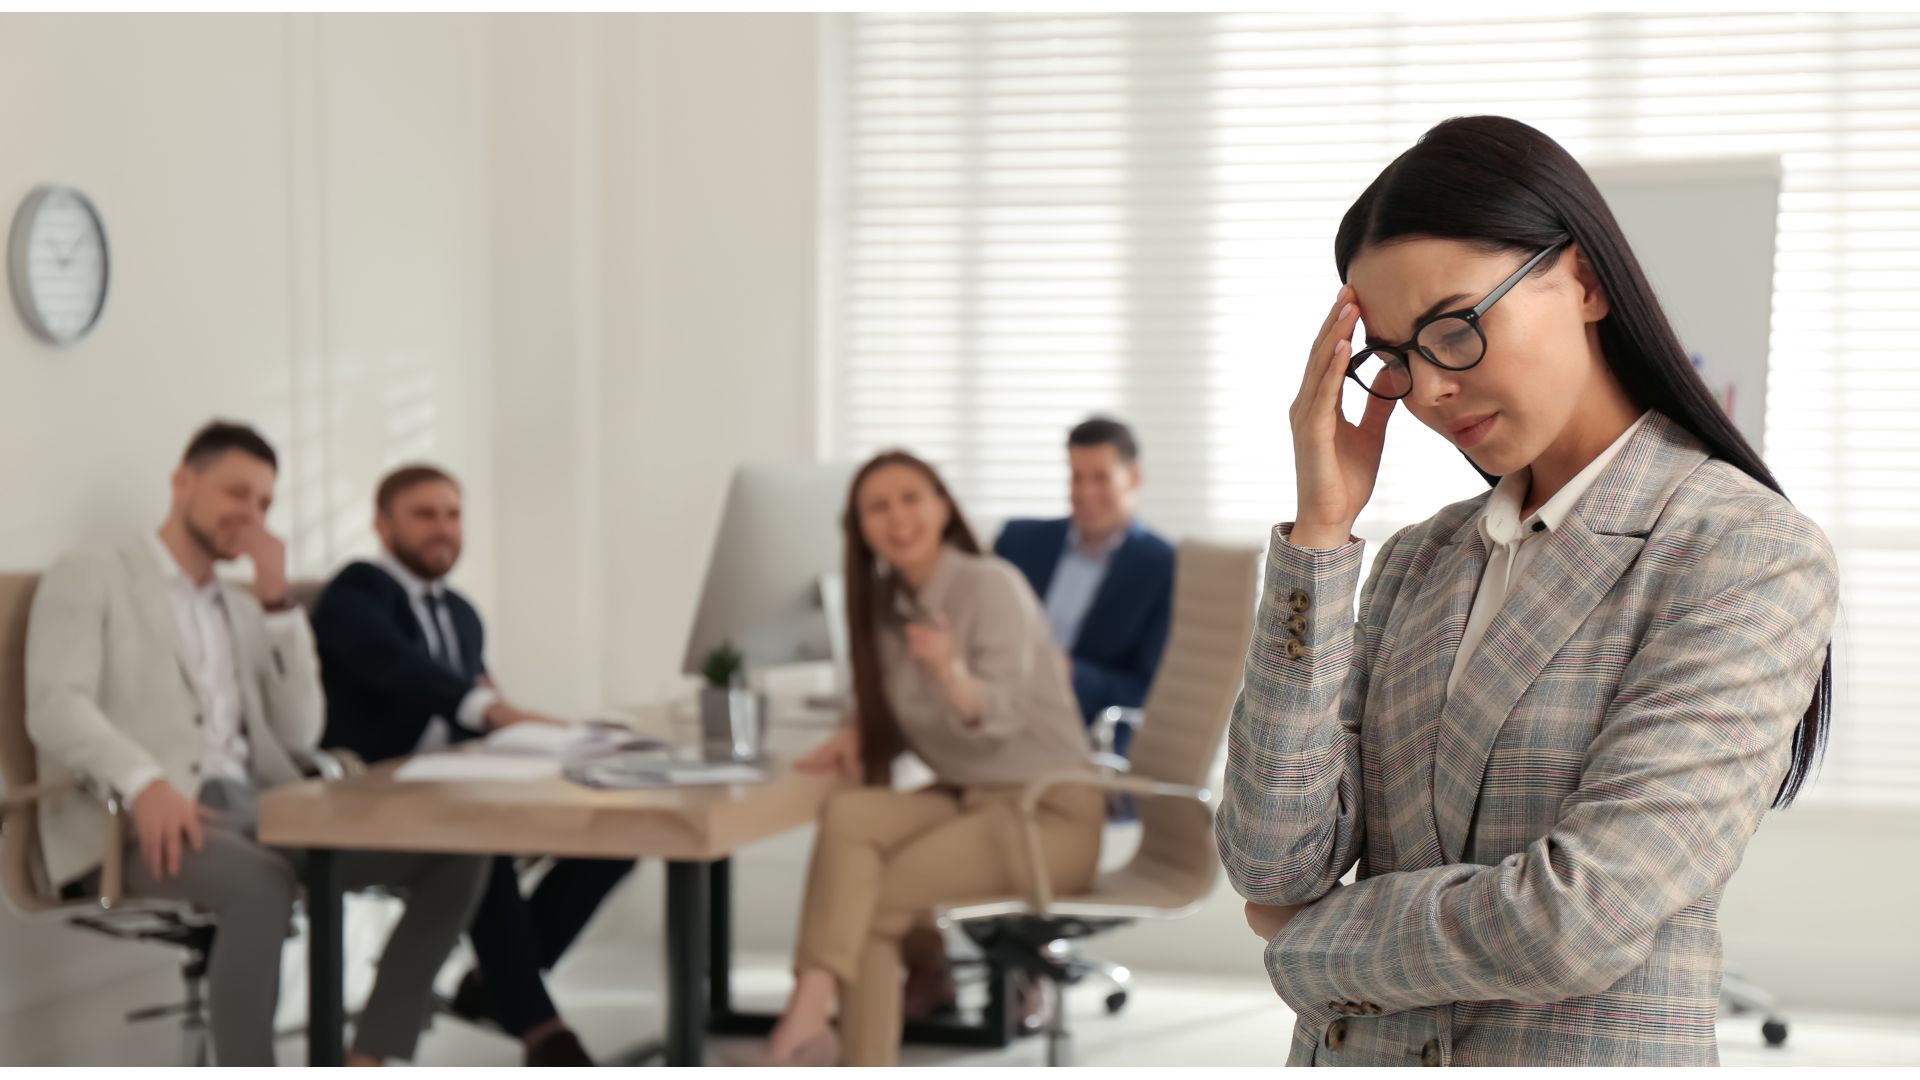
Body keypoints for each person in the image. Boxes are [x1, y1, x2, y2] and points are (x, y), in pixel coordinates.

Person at [1214, 115, 1838, 1067]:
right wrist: (1321, 534)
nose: (1425, 391)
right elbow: (1270, 860)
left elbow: (1579, 919)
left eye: (1454, 328)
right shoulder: (1418, 560)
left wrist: (1306, 937)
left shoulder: (1742, 551)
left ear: (1582, 280)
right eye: (1395, 355)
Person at [25, 421, 488, 1067]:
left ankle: (371, 1054)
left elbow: (301, 733)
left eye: (265, 502)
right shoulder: (93, 574)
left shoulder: (243, 607)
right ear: (183, 483)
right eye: (236, 493)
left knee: (458, 856)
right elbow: (55, 704)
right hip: (129, 820)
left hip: (253, 807)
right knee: (261, 884)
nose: (250, 514)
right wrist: (144, 781)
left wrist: (276, 604)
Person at [752, 450, 1105, 1067]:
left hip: (1048, 815)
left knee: (872, 899)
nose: (897, 518)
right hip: (970, 798)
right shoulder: (885, 610)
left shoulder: (989, 585)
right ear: (860, 529)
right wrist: (860, 727)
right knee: (850, 817)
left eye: (911, 498)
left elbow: (998, 717)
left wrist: (950, 670)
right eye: (877, 507)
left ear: (943, 507)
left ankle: (811, 1029)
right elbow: (896, 708)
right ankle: (812, 1011)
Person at [311, 464, 633, 1067]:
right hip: (378, 796)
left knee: (617, 831)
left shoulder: (461, 612)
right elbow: (399, 668)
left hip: (462, 781)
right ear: (383, 524)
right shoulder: (357, 592)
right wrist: (493, 709)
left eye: (453, 515)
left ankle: (500, 981)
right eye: (424, 514)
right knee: (477, 842)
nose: (443, 529)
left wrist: (546, 741)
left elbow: (475, 704)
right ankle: (540, 1029)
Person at [994, 416, 1176, 757]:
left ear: (1134, 478)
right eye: (1076, 477)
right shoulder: (1018, 542)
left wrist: (1069, 673)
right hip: (996, 711)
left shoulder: (1164, 567)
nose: (1084, 493)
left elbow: (1148, 692)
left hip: (1081, 738)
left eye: (1100, 478)